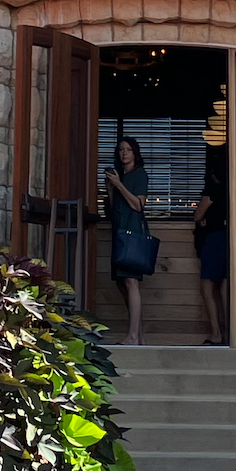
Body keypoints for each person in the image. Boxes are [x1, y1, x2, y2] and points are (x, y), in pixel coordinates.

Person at [105, 135, 154, 346]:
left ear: (135, 153)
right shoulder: (121, 176)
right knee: (122, 282)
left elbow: (138, 205)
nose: (124, 153)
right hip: (119, 230)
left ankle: (133, 336)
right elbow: (114, 207)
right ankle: (139, 336)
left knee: (132, 281)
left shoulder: (139, 174)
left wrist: (119, 185)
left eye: (128, 149)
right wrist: (110, 188)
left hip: (132, 232)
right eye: (121, 150)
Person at [189, 157, 229, 346]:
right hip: (228, 238)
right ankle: (231, 331)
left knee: (207, 285)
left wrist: (201, 220)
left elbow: (198, 214)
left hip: (213, 239)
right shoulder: (231, 191)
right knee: (224, 285)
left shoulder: (212, 190)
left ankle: (216, 333)